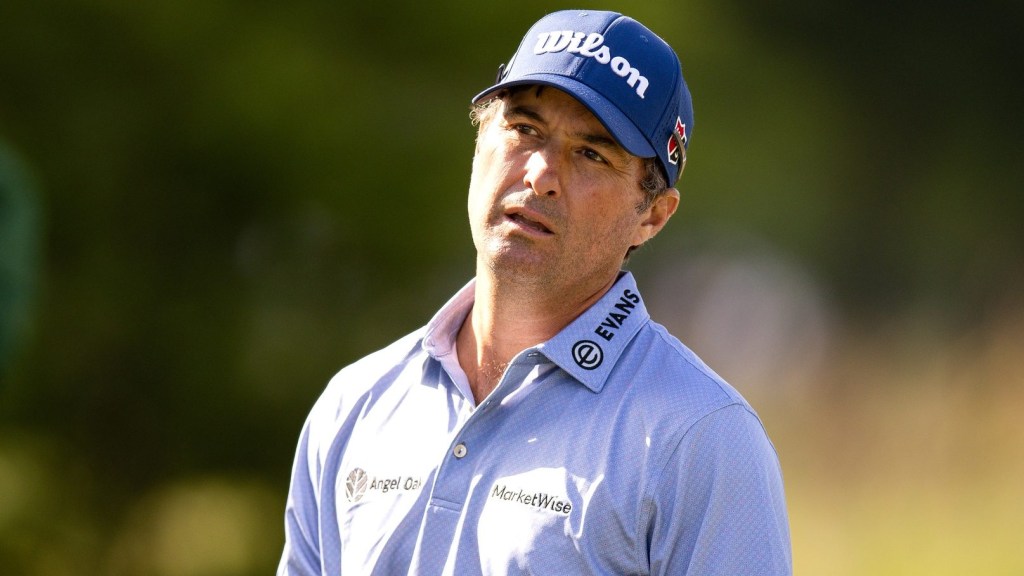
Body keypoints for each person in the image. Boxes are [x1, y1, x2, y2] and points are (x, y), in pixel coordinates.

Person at [278, 9, 791, 575]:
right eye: (524, 129)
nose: (541, 173)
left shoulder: (701, 441)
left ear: (652, 216)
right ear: (479, 142)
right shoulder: (355, 404)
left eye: (591, 153)